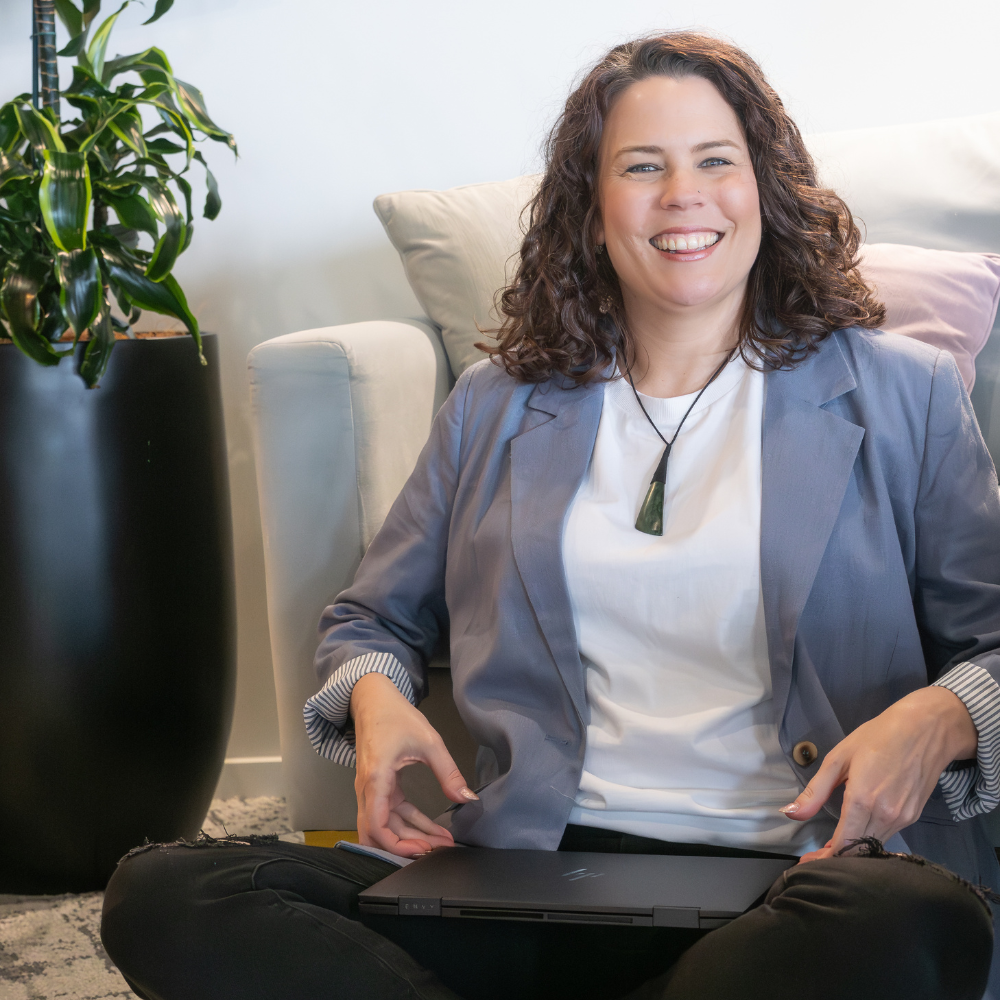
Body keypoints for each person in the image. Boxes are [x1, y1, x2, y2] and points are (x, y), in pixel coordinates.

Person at [101, 31, 1000, 1000]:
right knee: (170, 891)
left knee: (914, 925)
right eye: (641, 166)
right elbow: (371, 618)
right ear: (591, 204)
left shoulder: (899, 391)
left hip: (804, 882)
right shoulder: (498, 403)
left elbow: (989, 640)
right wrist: (376, 697)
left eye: (714, 161)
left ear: (765, 187)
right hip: (531, 869)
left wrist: (943, 714)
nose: (681, 194)